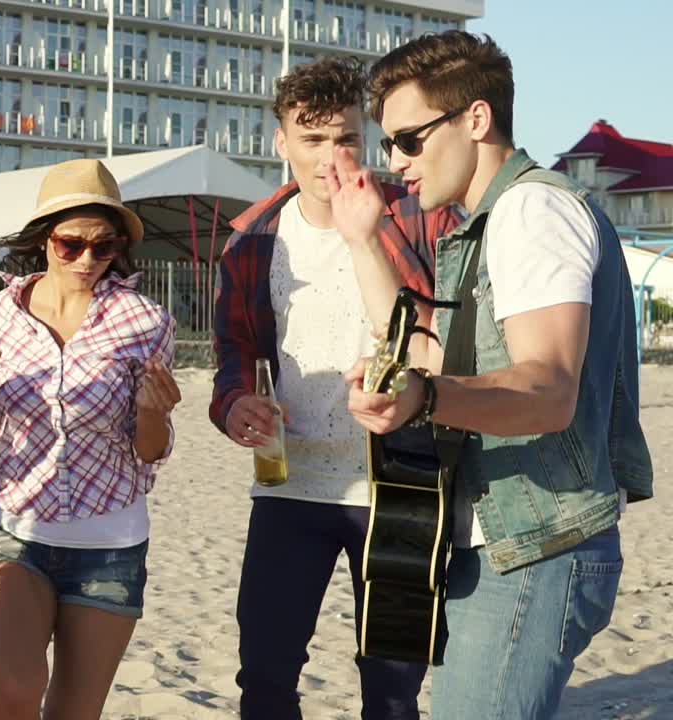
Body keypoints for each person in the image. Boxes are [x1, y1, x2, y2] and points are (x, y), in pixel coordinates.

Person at [340, 31, 652, 719]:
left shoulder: (531, 212)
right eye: (388, 145)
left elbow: (547, 390)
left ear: (475, 120)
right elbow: (428, 356)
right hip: (515, 543)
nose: (396, 163)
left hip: (536, 548)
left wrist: (422, 399)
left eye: (409, 139)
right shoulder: (488, 222)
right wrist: (363, 240)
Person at [208, 57, 461, 719]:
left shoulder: (416, 216)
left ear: (364, 139)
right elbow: (233, 355)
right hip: (289, 486)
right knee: (264, 679)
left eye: (345, 138)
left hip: (400, 483)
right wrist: (236, 405)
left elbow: (449, 339)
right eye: (312, 138)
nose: (330, 156)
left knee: (394, 692)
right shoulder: (250, 243)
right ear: (280, 142)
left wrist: (371, 234)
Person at [0, 158, 181, 720]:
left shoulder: (146, 322)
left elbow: (149, 452)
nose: (86, 259)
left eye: (104, 248)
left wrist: (153, 413)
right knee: (20, 687)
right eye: (70, 244)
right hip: (14, 529)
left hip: (111, 541)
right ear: (43, 241)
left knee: (75, 713)